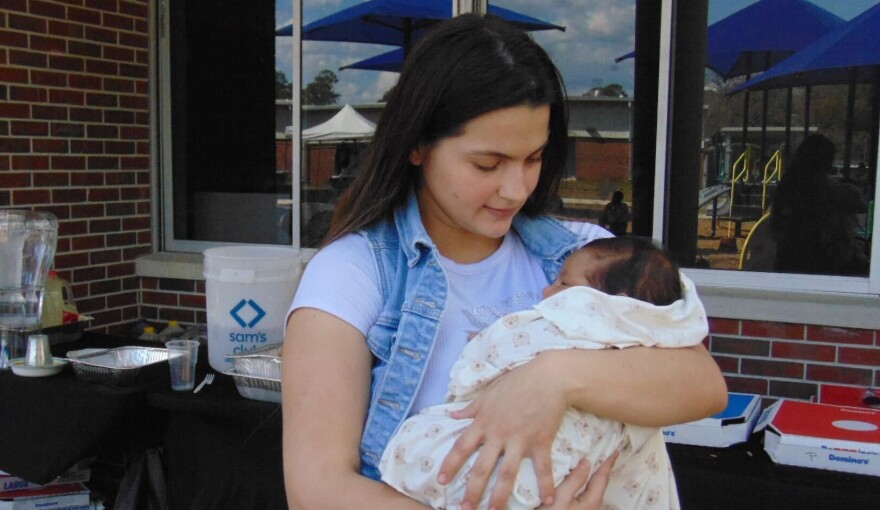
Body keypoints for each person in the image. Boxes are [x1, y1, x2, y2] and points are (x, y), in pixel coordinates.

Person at [282, 14, 727, 510]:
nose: (515, 189)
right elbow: (317, 490)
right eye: (487, 165)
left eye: (534, 158)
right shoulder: (352, 274)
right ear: (417, 145)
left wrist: (551, 379)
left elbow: (703, 383)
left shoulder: (582, 256)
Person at [380, 237, 707, 510]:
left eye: (563, 283)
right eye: (486, 164)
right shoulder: (369, 262)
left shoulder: (589, 253)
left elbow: (709, 387)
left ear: (614, 305)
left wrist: (550, 371)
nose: (547, 292)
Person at [771, 134, 869, 276]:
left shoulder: (787, 184)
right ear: (823, 161)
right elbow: (860, 206)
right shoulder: (824, 186)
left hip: (788, 261)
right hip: (821, 262)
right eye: (830, 158)